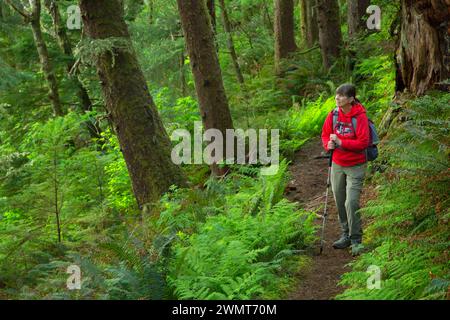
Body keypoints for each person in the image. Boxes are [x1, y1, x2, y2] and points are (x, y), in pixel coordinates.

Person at [321, 83, 369, 256]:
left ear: (350, 99)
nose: (337, 98)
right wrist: (328, 144)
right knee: (340, 200)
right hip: (337, 164)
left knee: (351, 202)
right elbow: (325, 134)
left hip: (356, 165)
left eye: (341, 96)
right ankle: (345, 234)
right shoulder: (333, 114)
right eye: (336, 95)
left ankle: (356, 239)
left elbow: (363, 142)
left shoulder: (360, 117)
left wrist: (341, 142)